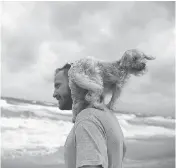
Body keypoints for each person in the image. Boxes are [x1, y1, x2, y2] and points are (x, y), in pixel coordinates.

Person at [53, 63, 126, 168]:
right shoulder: (106, 115)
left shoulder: (87, 119)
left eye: (58, 86)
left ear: (75, 84)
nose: (54, 94)